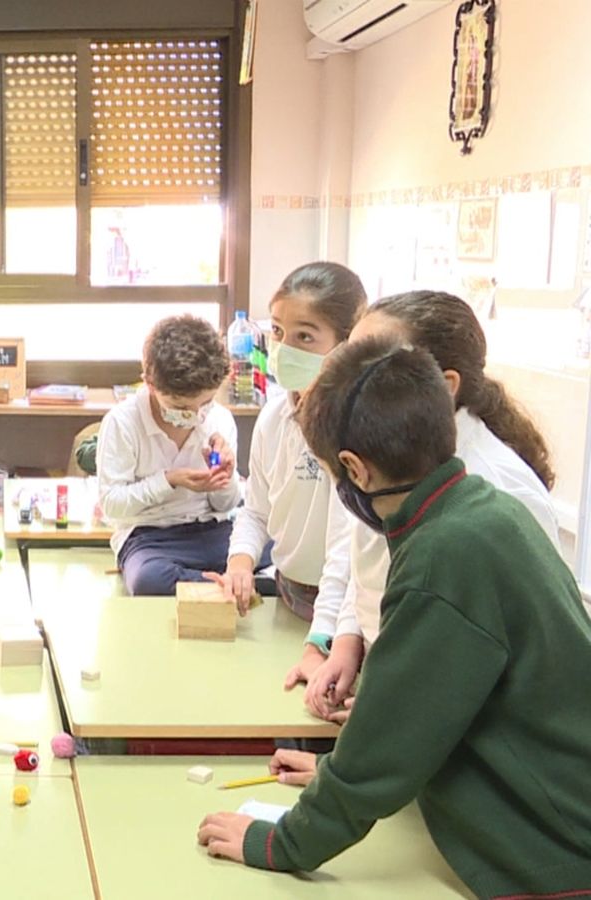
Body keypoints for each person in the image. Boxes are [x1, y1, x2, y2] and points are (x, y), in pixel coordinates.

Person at [197, 337, 591, 897]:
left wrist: (281, 841)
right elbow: (432, 714)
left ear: (354, 469)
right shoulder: (485, 511)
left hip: (556, 851)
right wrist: (356, 776)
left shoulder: (443, 555)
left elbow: (385, 746)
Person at [300, 290, 559, 721]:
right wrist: (347, 642)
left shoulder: (500, 493)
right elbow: (366, 565)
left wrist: (397, 715)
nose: (352, 377)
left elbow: (498, 666)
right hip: (396, 691)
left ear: (444, 385)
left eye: (376, 363)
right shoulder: (381, 453)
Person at [209, 264, 366, 678]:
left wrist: (321, 640)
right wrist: (240, 563)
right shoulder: (276, 415)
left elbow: (344, 552)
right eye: (277, 332)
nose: (284, 347)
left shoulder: (354, 430)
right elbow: (256, 509)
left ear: (345, 345)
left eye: (305, 337)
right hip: (288, 593)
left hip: (339, 613)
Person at [99, 315, 241, 595]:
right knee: (148, 580)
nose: (195, 414)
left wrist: (226, 476)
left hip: (213, 529)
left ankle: (214, 584)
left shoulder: (218, 420)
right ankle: (230, 587)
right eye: (180, 405)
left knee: (273, 553)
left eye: (206, 402)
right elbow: (112, 505)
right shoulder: (123, 422)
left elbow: (226, 505)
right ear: (148, 384)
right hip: (150, 537)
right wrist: (170, 480)